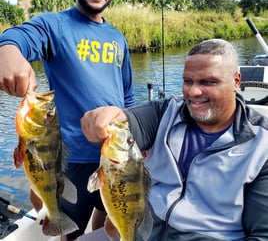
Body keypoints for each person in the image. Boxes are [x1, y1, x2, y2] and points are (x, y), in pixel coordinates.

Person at [81, 38, 268, 240]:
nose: (194, 92)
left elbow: (261, 234)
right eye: (188, 81)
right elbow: (126, 123)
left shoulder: (261, 144)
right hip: (142, 226)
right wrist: (104, 119)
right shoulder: (166, 111)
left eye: (208, 82)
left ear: (236, 81)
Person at [0, 0, 135, 240]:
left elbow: (127, 96)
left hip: (114, 154)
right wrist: (7, 50)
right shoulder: (54, 25)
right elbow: (19, 37)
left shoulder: (118, 38)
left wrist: (137, 138)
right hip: (72, 159)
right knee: (69, 232)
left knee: (106, 215)